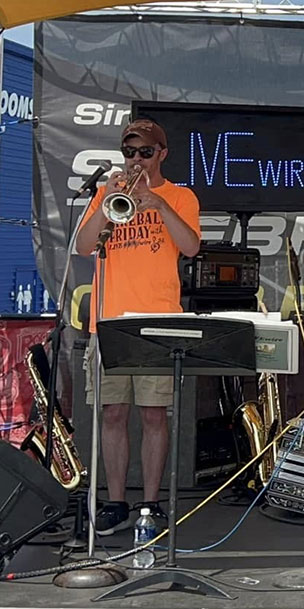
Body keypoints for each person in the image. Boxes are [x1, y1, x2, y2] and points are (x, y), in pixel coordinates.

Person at [74, 119, 201, 535]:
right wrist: (107, 199)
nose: (136, 160)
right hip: (109, 320)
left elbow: (191, 247)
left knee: (153, 414)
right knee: (112, 413)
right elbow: (84, 246)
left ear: (162, 153)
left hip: (157, 320)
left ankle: (150, 502)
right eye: (130, 152)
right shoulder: (106, 193)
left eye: (145, 152)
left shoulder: (180, 196)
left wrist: (159, 206)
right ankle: (115, 502)